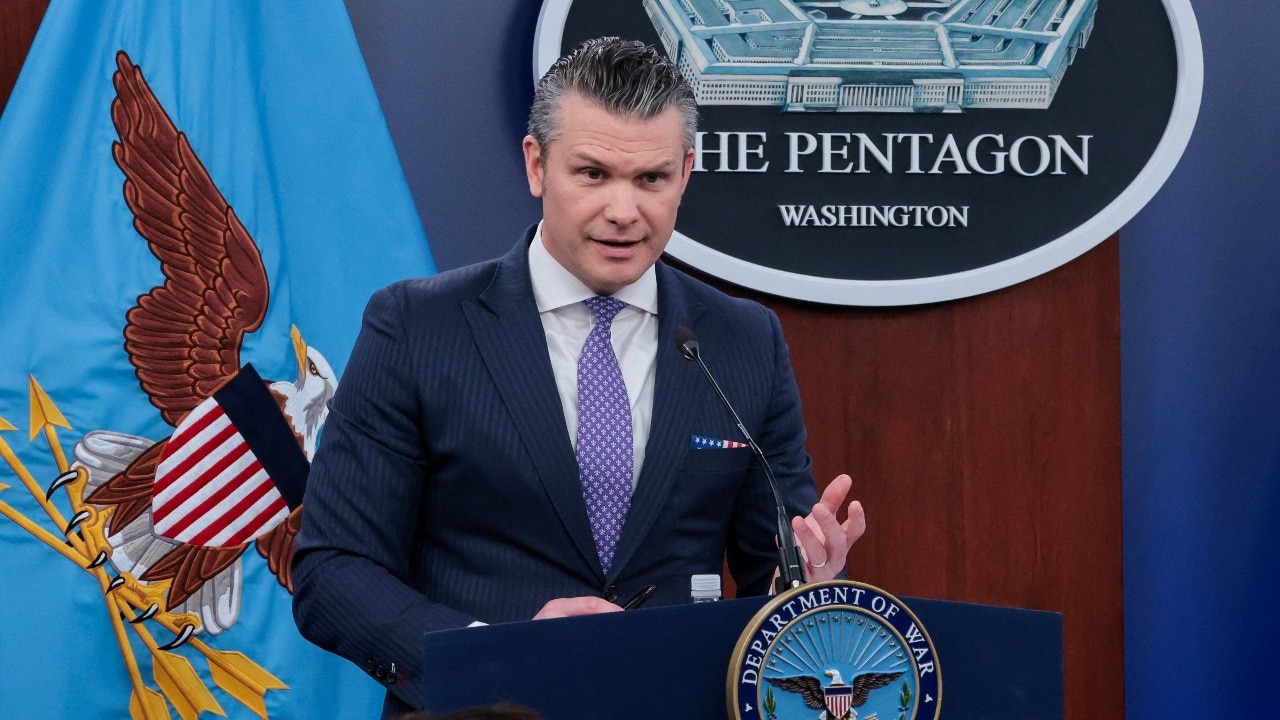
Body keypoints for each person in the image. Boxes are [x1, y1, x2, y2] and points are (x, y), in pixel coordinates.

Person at [291, 37, 865, 717]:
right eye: (593, 174)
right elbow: (334, 569)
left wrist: (805, 588)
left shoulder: (743, 341)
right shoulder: (418, 327)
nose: (623, 211)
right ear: (537, 165)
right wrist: (496, 654)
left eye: (651, 179)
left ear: (685, 173)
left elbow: (774, 567)